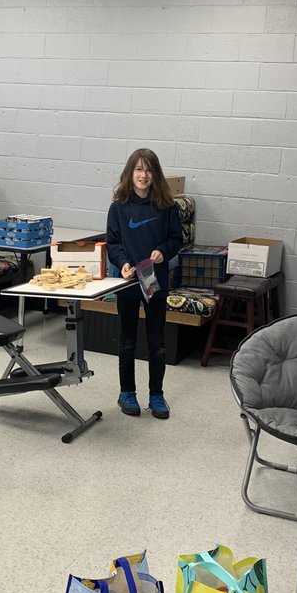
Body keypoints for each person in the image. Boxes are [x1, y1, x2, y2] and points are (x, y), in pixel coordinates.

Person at [106, 148, 183, 420]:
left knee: (157, 343)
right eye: (139, 169)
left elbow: (176, 239)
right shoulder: (118, 207)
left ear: (155, 174)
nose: (143, 175)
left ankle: (156, 395)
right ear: (130, 172)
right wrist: (123, 263)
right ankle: (127, 392)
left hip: (155, 281)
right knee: (127, 341)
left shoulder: (167, 206)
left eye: (149, 169)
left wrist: (163, 251)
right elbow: (113, 243)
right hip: (128, 282)